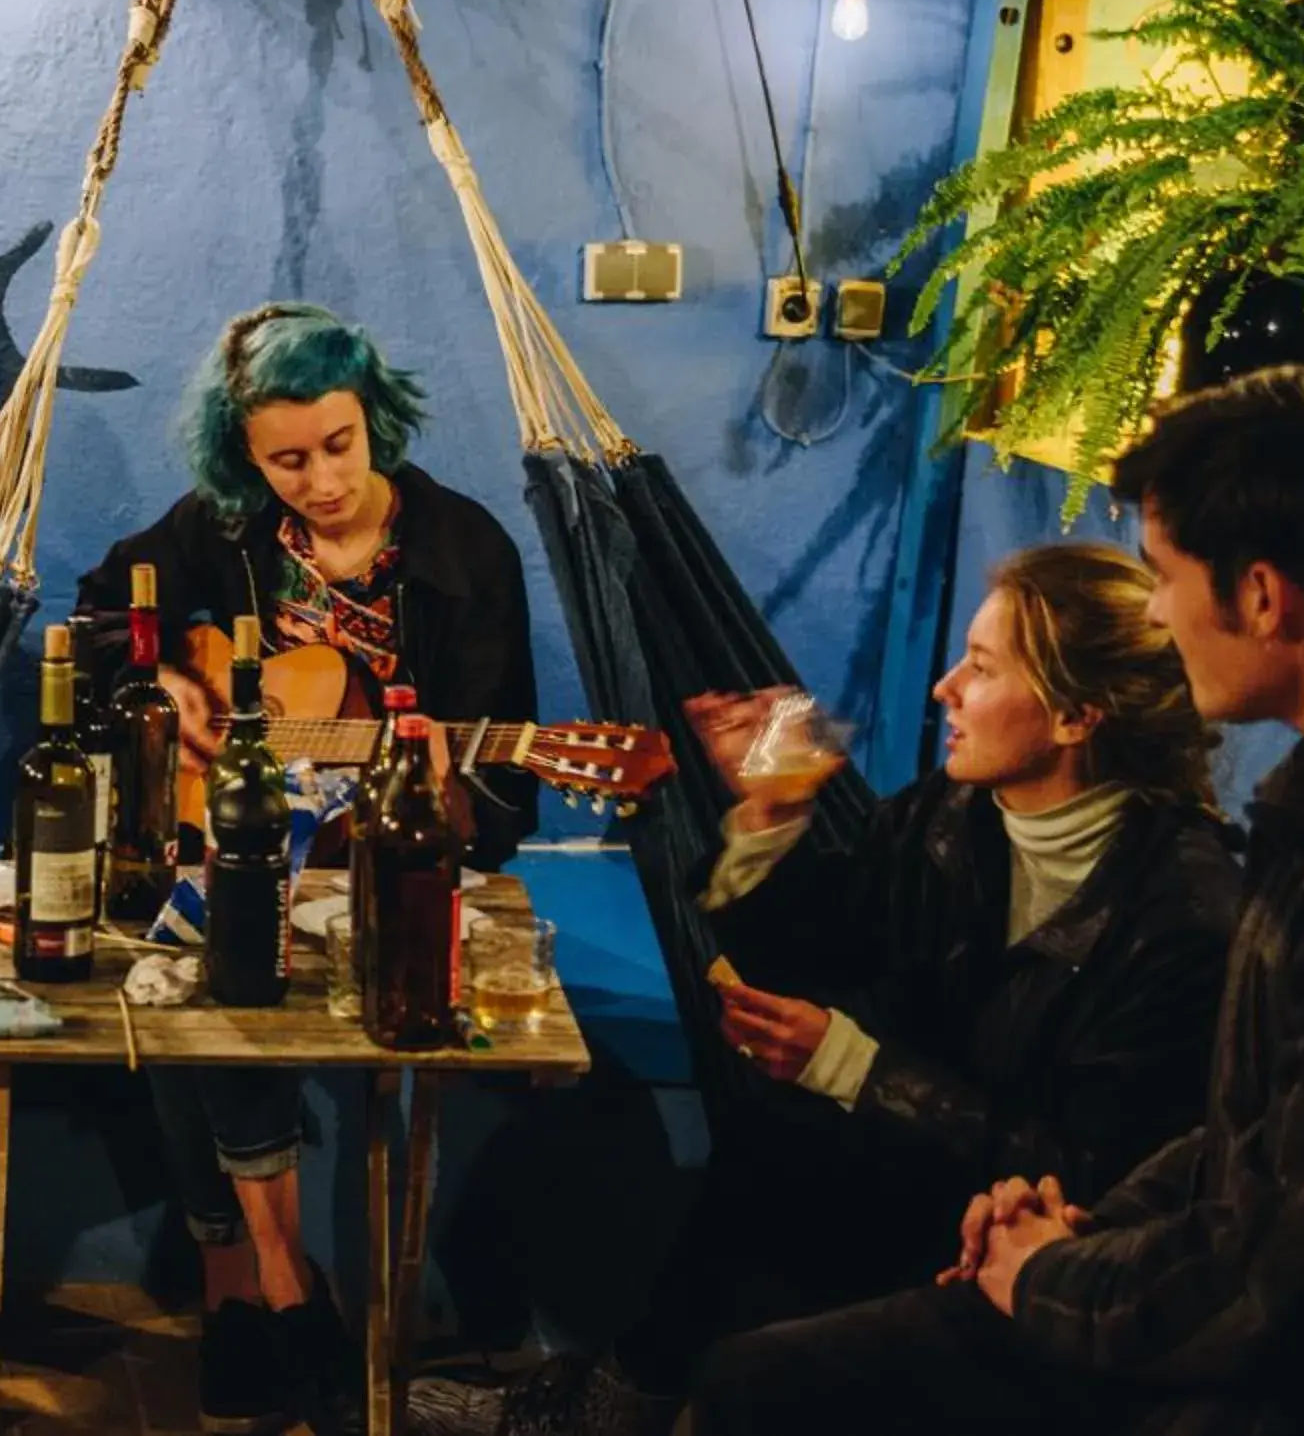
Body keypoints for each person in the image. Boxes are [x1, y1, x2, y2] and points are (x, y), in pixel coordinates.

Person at [690, 368, 1304, 1435]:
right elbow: (1259, 1135)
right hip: (1212, 1285)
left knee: (770, 1387)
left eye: (1164, 574)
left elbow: (1292, 1273)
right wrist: (1086, 1227)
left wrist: (1052, 1273)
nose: (1157, 611)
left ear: (1260, 595)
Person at [411, 544, 1242, 1435]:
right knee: (770, 1140)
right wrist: (772, 814)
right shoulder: (958, 814)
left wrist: (849, 1064)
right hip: (925, 1172)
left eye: (984, 668)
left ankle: (643, 1401)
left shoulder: (1183, 917)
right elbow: (828, 943)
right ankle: (625, 1398)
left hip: (1037, 1257)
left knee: (765, 1306)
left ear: (1077, 717)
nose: (945, 689)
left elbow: (1094, 1177)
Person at [74, 301, 538, 1436]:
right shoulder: (223, 531)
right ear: (243, 455)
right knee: (202, 971)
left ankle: (244, 1288)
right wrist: (171, 688)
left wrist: (428, 792)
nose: (320, 479)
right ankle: (273, 1286)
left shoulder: (467, 553)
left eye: (339, 445)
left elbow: (508, 795)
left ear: (374, 417)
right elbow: (101, 612)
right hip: (244, 869)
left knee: (214, 985)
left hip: (378, 889)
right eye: (286, 460)